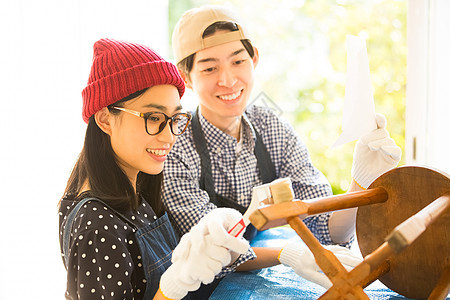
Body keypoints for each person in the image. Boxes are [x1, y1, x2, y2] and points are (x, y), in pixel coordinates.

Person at [163, 4, 401, 285]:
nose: (227, 80)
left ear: (255, 60)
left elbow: (327, 229)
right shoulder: (174, 144)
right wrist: (285, 253)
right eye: (209, 68)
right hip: (196, 285)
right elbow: (210, 251)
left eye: (238, 62)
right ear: (186, 77)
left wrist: (360, 183)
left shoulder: (272, 129)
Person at [58, 38, 250, 300]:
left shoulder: (138, 189)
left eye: (174, 119)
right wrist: (172, 287)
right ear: (105, 119)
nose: (169, 136)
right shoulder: (97, 224)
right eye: (154, 118)